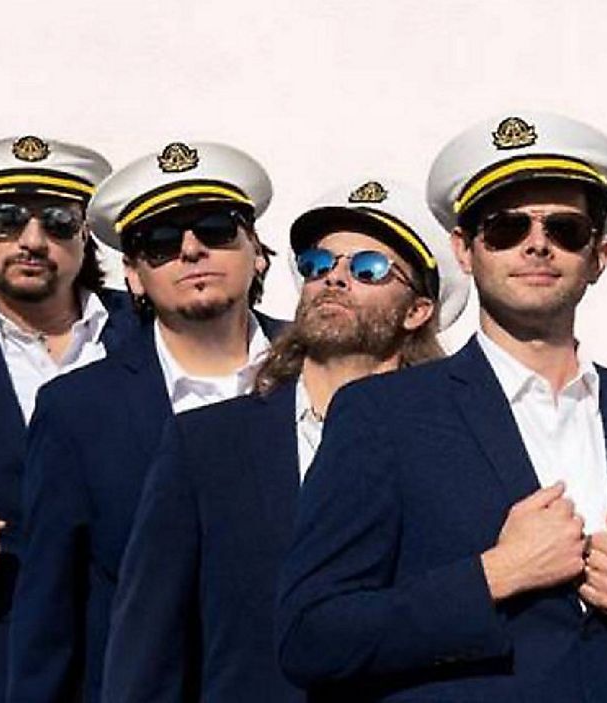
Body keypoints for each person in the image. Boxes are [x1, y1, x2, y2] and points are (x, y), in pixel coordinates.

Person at [276, 112, 607, 701]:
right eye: (505, 228)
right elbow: (311, 635)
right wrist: (495, 575)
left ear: (599, 256)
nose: (537, 244)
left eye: (566, 229)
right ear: (464, 250)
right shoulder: (382, 415)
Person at [101, 177, 470, 702]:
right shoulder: (205, 445)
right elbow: (148, 649)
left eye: (368, 268)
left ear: (418, 310)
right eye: (318, 265)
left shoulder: (455, 449)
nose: (334, 279)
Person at [6, 142, 286, 703]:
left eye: (217, 230)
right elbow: (47, 616)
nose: (191, 250)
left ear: (257, 252)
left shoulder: (328, 370)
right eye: (160, 242)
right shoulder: (78, 411)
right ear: (132, 275)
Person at [0, 135, 132, 702]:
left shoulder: (153, 333)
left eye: (58, 221)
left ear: (85, 234)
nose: (33, 240)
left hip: (133, 666)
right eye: (7, 219)